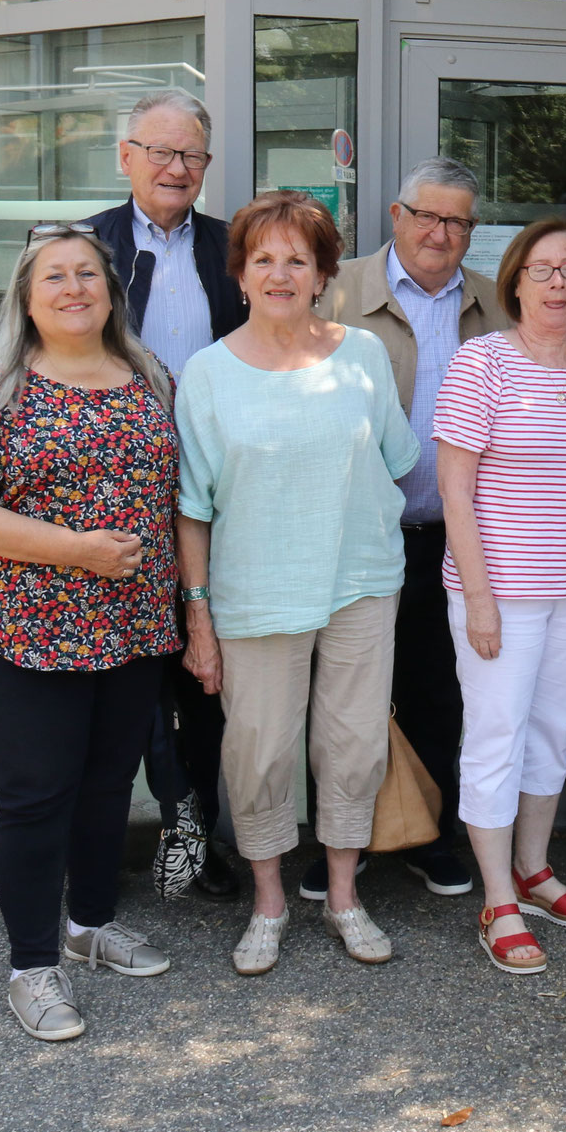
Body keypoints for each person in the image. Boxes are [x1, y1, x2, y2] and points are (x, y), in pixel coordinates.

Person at [0, 223, 179, 1042]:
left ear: (111, 290)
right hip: (27, 628)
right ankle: (32, 966)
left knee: (110, 785)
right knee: (37, 798)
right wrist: (81, 552)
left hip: (133, 625)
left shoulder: (149, 376)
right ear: (28, 300)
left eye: (87, 274)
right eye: (54, 278)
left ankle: (91, 924)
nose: (74, 288)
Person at [174, 192, 419, 975]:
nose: (280, 273)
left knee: (351, 743)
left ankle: (344, 894)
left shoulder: (364, 355)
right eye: (263, 258)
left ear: (322, 275)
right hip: (254, 589)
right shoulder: (208, 374)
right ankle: (270, 899)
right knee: (259, 749)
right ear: (240, 273)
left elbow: (395, 458)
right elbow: (193, 507)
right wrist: (200, 613)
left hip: (359, 579)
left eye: (298, 259)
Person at [434, 217, 566, 975]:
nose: (556, 283)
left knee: (554, 731)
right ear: (513, 280)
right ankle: (496, 899)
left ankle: (534, 868)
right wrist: (478, 597)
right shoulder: (481, 363)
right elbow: (455, 491)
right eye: (542, 269)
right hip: (500, 594)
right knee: (496, 735)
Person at [317, 158, 512, 901]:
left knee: (440, 688)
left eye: (458, 220)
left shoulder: (496, 304)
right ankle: (343, 840)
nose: (440, 231)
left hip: (454, 537)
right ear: (396, 216)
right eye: (427, 215)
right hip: (355, 536)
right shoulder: (335, 293)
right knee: (346, 691)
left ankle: (428, 832)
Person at [83, 88, 247, 902]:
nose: (177, 168)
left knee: (205, 665)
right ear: (127, 157)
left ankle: (204, 828)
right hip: (115, 494)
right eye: (161, 152)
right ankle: (160, 816)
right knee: (132, 669)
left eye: (191, 156)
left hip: (219, 489)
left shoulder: (234, 246)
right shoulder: (85, 248)